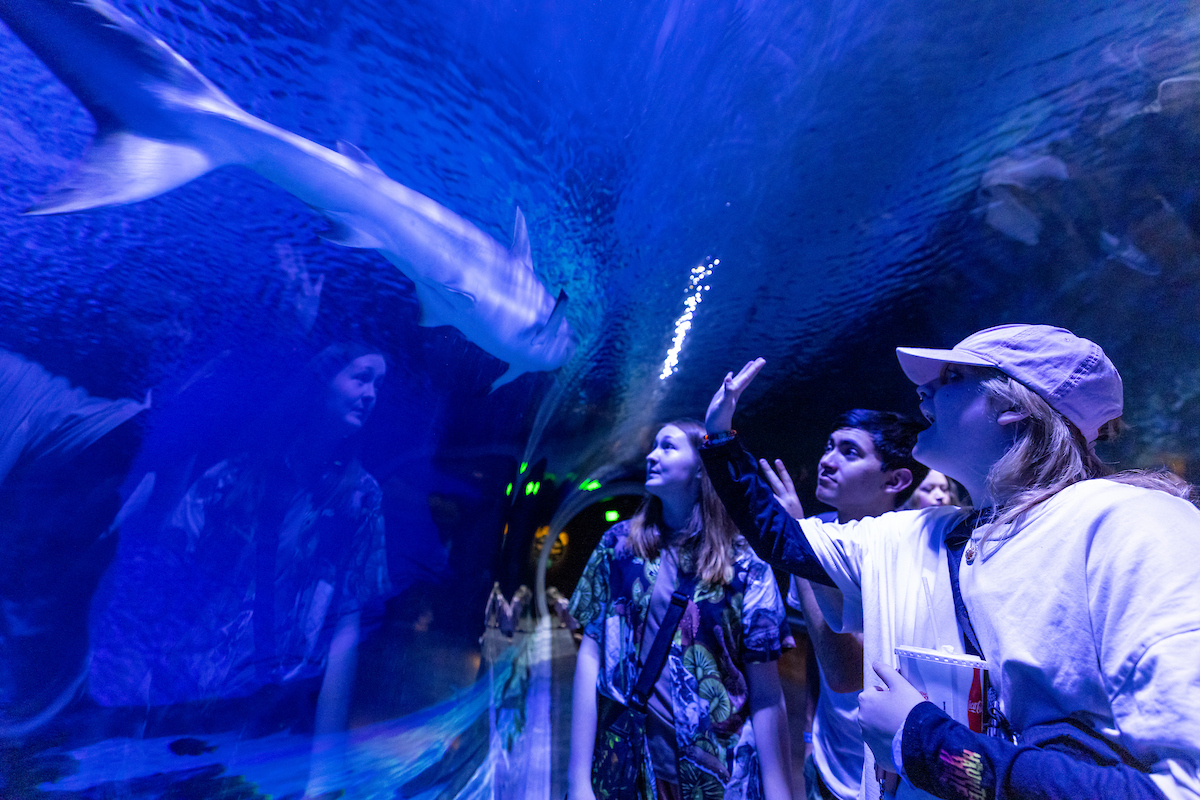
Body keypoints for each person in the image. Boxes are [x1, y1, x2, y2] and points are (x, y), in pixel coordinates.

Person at [700, 324, 1200, 800]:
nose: (922, 394)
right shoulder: (928, 532)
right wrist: (719, 439)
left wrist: (919, 740)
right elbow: (786, 542)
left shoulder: (1131, 524)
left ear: (1012, 406)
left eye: (952, 377)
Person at [90, 342, 391, 789]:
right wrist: (131, 693)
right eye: (361, 377)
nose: (371, 394)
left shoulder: (360, 499)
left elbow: (346, 627)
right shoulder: (234, 477)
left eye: (378, 385)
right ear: (321, 380)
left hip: (270, 722)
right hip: (183, 705)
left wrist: (323, 769)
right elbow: (159, 584)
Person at [567, 419, 794, 800]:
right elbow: (590, 652)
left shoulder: (747, 564)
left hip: (717, 776)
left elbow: (767, 692)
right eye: (653, 446)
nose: (652, 456)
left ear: (703, 467)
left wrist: (778, 791)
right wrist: (577, 780)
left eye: (668, 446)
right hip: (626, 766)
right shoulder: (618, 547)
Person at [760, 410, 926, 800]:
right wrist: (810, 731)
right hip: (828, 761)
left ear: (895, 479)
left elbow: (847, 672)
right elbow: (820, 657)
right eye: (829, 447)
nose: (827, 460)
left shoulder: (906, 550)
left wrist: (798, 544)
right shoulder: (818, 528)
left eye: (849, 452)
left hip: (888, 771)